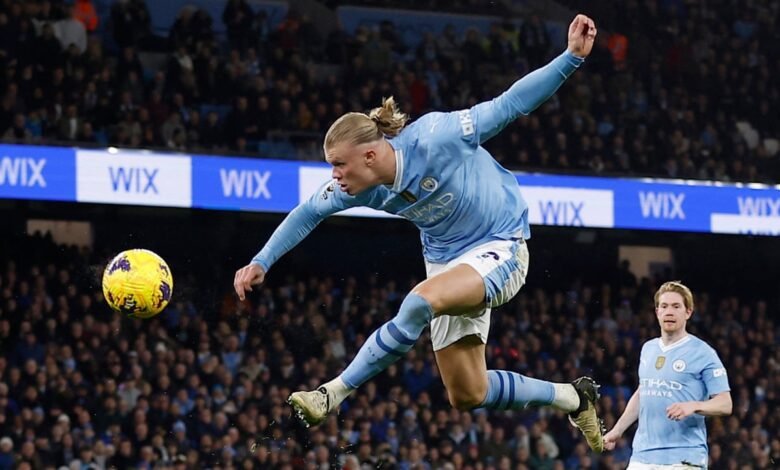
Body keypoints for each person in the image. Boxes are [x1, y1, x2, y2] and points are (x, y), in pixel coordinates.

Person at [234, 14, 605, 452]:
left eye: (339, 164)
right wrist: (261, 261)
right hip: (447, 261)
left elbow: (509, 105)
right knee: (468, 393)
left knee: (419, 301)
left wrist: (570, 58)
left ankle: (331, 393)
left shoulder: (436, 137)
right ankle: (572, 397)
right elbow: (307, 213)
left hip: (501, 245)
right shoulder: (359, 187)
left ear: (370, 156)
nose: (334, 175)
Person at [603, 281, 732, 468]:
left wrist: (694, 406)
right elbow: (643, 393)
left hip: (683, 457)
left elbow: (725, 404)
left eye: (676, 306)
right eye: (664, 306)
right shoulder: (648, 348)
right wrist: (618, 430)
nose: (669, 312)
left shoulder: (703, 352)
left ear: (688, 312)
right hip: (642, 456)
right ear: (657, 312)